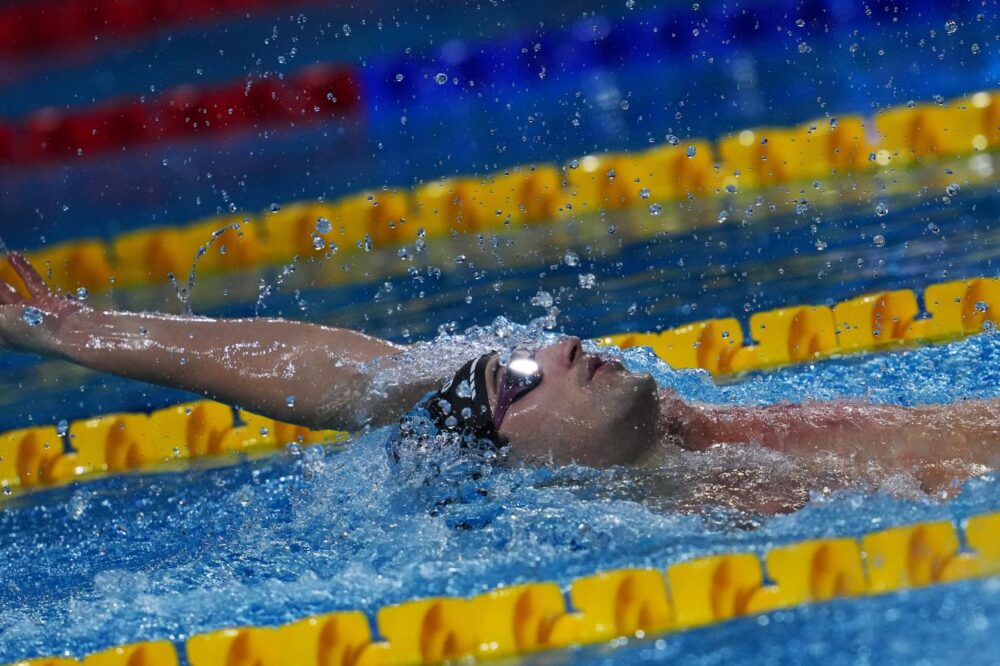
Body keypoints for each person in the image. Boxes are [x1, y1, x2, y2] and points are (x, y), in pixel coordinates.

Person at [1, 251, 997, 498]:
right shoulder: (689, 503)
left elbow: (359, 378)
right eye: (517, 384)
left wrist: (74, 327)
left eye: (530, 356)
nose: (556, 348)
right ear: (524, 465)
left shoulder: (684, 432)